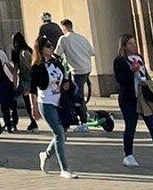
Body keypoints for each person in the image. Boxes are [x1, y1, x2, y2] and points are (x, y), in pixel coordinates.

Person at [113, 33, 153, 169]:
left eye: (135, 43)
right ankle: (128, 156)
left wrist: (150, 85)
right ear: (124, 47)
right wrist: (131, 71)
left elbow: (145, 75)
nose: (134, 46)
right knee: (130, 127)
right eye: (131, 44)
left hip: (144, 97)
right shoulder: (119, 61)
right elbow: (120, 80)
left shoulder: (139, 58)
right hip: (129, 98)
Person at [36, 49, 75, 179]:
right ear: (41, 49)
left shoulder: (57, 62)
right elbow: (33, 88)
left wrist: (65, 84)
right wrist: (33, 108)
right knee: (59, 132)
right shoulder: (38, 66)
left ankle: (46, 154)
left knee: (63, 133)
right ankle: (64, 169)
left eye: (51, 45)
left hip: (60, 101)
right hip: (46, 103)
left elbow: (62, 78)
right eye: (47, 46)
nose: (50, 47)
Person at [57, 16, 96, 111]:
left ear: (64, 28)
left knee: (77, 94)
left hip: (76, 70)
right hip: (87, 68)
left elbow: (57, 54)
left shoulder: (64, 39)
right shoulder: (82, 37)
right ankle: (82, 111)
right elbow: (92, 52)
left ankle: (82, 114)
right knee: (79, 91)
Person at [9, 32, 40, 131]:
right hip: (33, 79)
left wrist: (14, 83)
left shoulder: (18, 53)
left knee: (22, 101)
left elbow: (16, 69)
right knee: (32, 102)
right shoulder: (29, 50)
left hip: (25, 80)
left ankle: (27, 121)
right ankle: (33, 121)